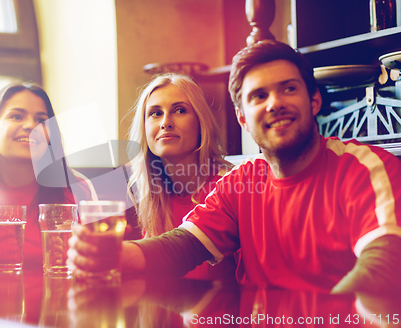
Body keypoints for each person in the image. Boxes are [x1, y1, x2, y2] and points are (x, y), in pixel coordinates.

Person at [68, 40, 401, 294]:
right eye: (258, 96)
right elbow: (182, 246)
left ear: (314, 100)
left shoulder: (363, 167)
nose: (274, 103)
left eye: (288, 88)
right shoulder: (240, 183)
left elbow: (385, 262)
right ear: (243, 119)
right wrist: (114, 255)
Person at [0, 82, 96, 272]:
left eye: (41, 120)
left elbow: (97, 264)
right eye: (16, 116)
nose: (31, 126)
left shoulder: (77, 188)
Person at [126, 73, 236, 279]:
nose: (165, 122)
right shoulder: (151, 193)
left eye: (179, 110)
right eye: (155, 113)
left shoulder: (228, 186)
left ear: (201, 123)